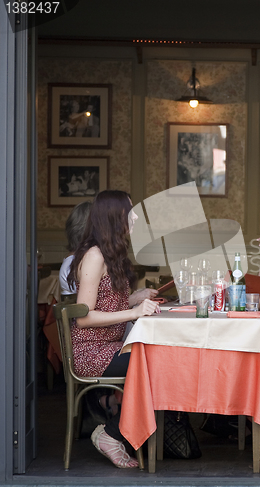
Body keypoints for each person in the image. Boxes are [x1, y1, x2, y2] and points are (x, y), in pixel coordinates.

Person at [67, 190, 159, 468]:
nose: (134, 216)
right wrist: (133, 311)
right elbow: (83, 317)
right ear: (112, 217)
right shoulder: (95, 255)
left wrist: (136, 298)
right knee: (160, 364)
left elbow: (105, 304)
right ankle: (111, 434)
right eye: (128, 211)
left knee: (161, 360)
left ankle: (122, 434)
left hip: (110, 346)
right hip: (92, 352)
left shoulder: (111, 253)